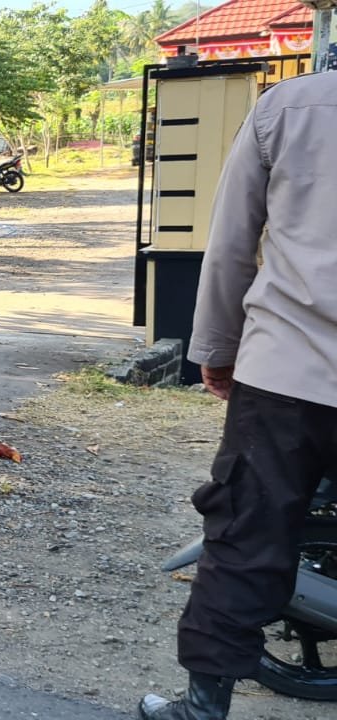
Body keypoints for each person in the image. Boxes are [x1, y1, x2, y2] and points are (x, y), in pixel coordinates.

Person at [137, 71, 337, 720]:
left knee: (245, 541)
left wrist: (215, 350)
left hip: (287, 371)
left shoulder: (290, 107)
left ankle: (202, 709)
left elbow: (228, 246)